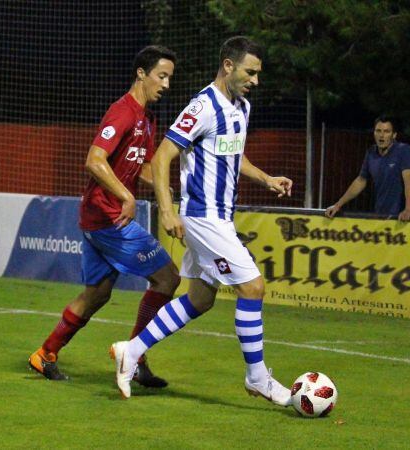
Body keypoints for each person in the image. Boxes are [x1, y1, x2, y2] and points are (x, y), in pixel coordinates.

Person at [110, 36, 294, 407]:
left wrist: (266, 178)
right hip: (202, 217)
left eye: (258, 74)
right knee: (253, 287)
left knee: (199, 298)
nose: (255, 81)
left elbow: (234, 156)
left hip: (220, 217)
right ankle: (257, 378)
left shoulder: (241, 107)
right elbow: (162, 158)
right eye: (250, 72)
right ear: (228, 65)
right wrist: (166, 210)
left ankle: (131, 349)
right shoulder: (202, 106)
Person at [28, 45, 180, 387]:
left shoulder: (147, 117)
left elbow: (142, 167)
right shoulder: (123, 112)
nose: (167, 84)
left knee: (97, 294)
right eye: (162, 75)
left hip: (98, 219)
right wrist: (126, 196)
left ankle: (45, 354)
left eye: (170, 77)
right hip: (109, 218)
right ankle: (135, 358)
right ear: (141, 73)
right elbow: (94, 160)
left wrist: (164, 189)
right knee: (168, 278)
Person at [325, 117, 410, 221]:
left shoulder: (403, 151)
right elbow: (361, 180)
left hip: (401, 217)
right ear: (374, 133)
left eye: (386, 131)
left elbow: (409, 182)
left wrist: (408, 209)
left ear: (394, 135)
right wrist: (338, 205)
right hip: (380, 215)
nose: (381, 135)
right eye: (378, 131)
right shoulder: (371, 153)